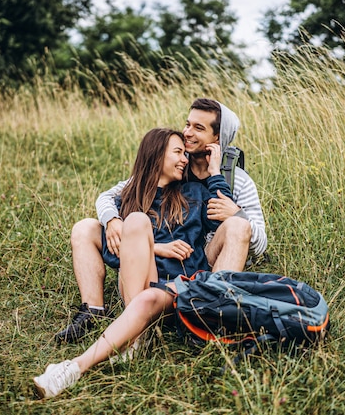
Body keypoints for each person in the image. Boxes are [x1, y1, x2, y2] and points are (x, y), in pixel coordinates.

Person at [34, 127, 232, 398]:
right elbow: (120, 254)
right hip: (137, 284)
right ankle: (122, 327)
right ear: (156, 155)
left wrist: (216, 172)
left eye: (185, 154)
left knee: (137, 229)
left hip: (176, 286)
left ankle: (77, 366)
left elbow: (228, 216)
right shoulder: (129, 197)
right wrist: (155, 248)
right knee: (131, 221)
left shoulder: (195, 193)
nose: (185, 159)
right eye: (177, 153)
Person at [56, 98, 267, 343]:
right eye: (188, 124)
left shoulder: (234, 181)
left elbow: (258, 241)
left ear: (217, 139)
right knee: (86, 228)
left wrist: (235, 212)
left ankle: (210, 314)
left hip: (202, 258)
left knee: (239, 225)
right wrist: (113, 220)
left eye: (198, 128)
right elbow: (112, 196)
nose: (187, 133)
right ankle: (93, 311)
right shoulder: (171, 170)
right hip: (150, 263)